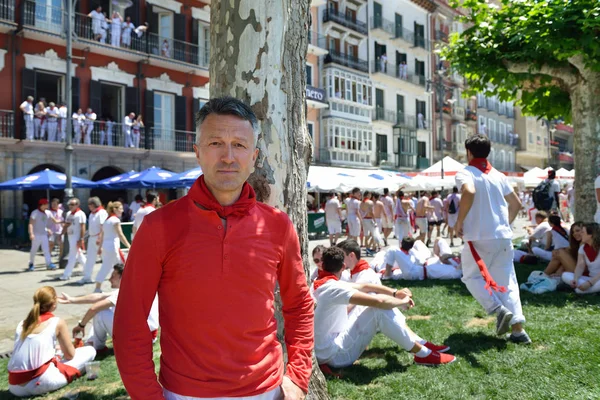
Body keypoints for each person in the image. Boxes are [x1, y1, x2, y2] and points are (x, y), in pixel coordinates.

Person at [113, 97, 314, 399]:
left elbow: (299, 305)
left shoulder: (278, 226)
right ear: (197, 152)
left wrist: (298, 377)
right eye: (216, 143)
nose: (228, 156)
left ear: (254, 155)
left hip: (267, 391)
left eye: (239, 145)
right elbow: (130, 319)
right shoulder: (158, 227)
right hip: (184, 393)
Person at [314, 247, 456, 369]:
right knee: (378, 309)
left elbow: (365, 287)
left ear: (323, 265)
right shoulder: (334, 287)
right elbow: (379, 301)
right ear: (343, 267)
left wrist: (395, 293)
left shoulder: (322, 283)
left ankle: (419, 344)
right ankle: (423, 353)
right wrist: (403, 301)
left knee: (374, 299)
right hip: (333, 357)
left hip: (326, 348)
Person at [454, 134, 528, 344]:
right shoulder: (498, 174)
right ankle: (518, 331)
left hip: (479, 237)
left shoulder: (465, 172)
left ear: (469, 152)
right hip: (503, 236)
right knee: (508, 282)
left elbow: (469, 191)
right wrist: (505, 224)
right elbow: (516, 205)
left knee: (471, 277)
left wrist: (459, 222)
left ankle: (497, 309)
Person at [7, 286, 96, 397]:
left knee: (58, 353)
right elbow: (70, 355)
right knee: (90, 351)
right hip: (40, 384)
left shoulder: (22, 324)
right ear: (54, 303)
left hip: (15, 387)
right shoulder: (57, 322)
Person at [64, 265, 159, 351]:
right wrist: (72, 299)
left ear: (123, 277)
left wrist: (81, 326)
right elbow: (99, 296)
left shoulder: (126, 290)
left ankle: (97, 347)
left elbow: (94, 308)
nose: (109, 279)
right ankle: (92, 342)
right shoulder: (135, 284)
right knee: (109, 309)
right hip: (148, 337)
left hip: (139, 340)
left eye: (113, 276)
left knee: (100, 312)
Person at [382, 237, 462, 281]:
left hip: (415, 272)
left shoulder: (456, 272)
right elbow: (443, 259)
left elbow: (462, 267)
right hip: (418, 269)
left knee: (392, 249)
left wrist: (453, 256)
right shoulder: (453, 267)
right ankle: (384, 274)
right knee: (417, 243)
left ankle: (387, 275)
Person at [94, 201, 130, 293]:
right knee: (123, 267)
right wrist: (129, 246)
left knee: (106, 266)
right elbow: (120, 235)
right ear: (115, 209)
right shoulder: (115, 220)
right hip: (113, 247)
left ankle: (98, 287)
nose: (122, 211)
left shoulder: (107, 220)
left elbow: (102, 235)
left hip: (107, 246)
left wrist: (100, 248)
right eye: (120, 208)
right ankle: (125, 286)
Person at [562, 223, 600, 294]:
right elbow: (580, 266)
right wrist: (575, 279)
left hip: (597, 279)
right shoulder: (582, 248)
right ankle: (584, 288)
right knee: (565, 275)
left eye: (583, 232)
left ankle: (582, 289)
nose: (580, 234)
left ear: (590, 235)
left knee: (579, 290)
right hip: (590, 278)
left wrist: (589, 283)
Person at [79, 197, 108, 285]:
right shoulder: (92, 214)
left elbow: (103, 227)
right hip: (92, 238)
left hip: (99, 238)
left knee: (106, 257)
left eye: (89, 205)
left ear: (93, 205)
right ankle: (87, 277)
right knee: (90, 258)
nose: (88, 207)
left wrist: (100, 238)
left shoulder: (102, 212)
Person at [60, 198, 87, 281]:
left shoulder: (81, 214)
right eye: (69, 204)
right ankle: (88, 268)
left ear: (77, 205)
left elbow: (83, 227)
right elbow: (67, 224)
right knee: (79, 255)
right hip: (70, 236)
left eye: (72, 204)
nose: (70, 206)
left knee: (72, 255)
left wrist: (81, 238)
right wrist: (62, 233)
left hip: (76, 237)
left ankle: (66, 274)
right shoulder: (69, 213)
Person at [28, 199, 58, 271]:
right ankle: (31, 263)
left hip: (44, 234)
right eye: (46, 204)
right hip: (36, 234)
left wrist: (64, 222)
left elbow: (55, 221)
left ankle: (49, 264)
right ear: (41, 205)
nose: (47, 205)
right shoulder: (35, 213)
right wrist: (31, 233)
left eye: (47, 204)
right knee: (34, 250)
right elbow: (31, 224)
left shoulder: (48, 212)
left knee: (46, 250)